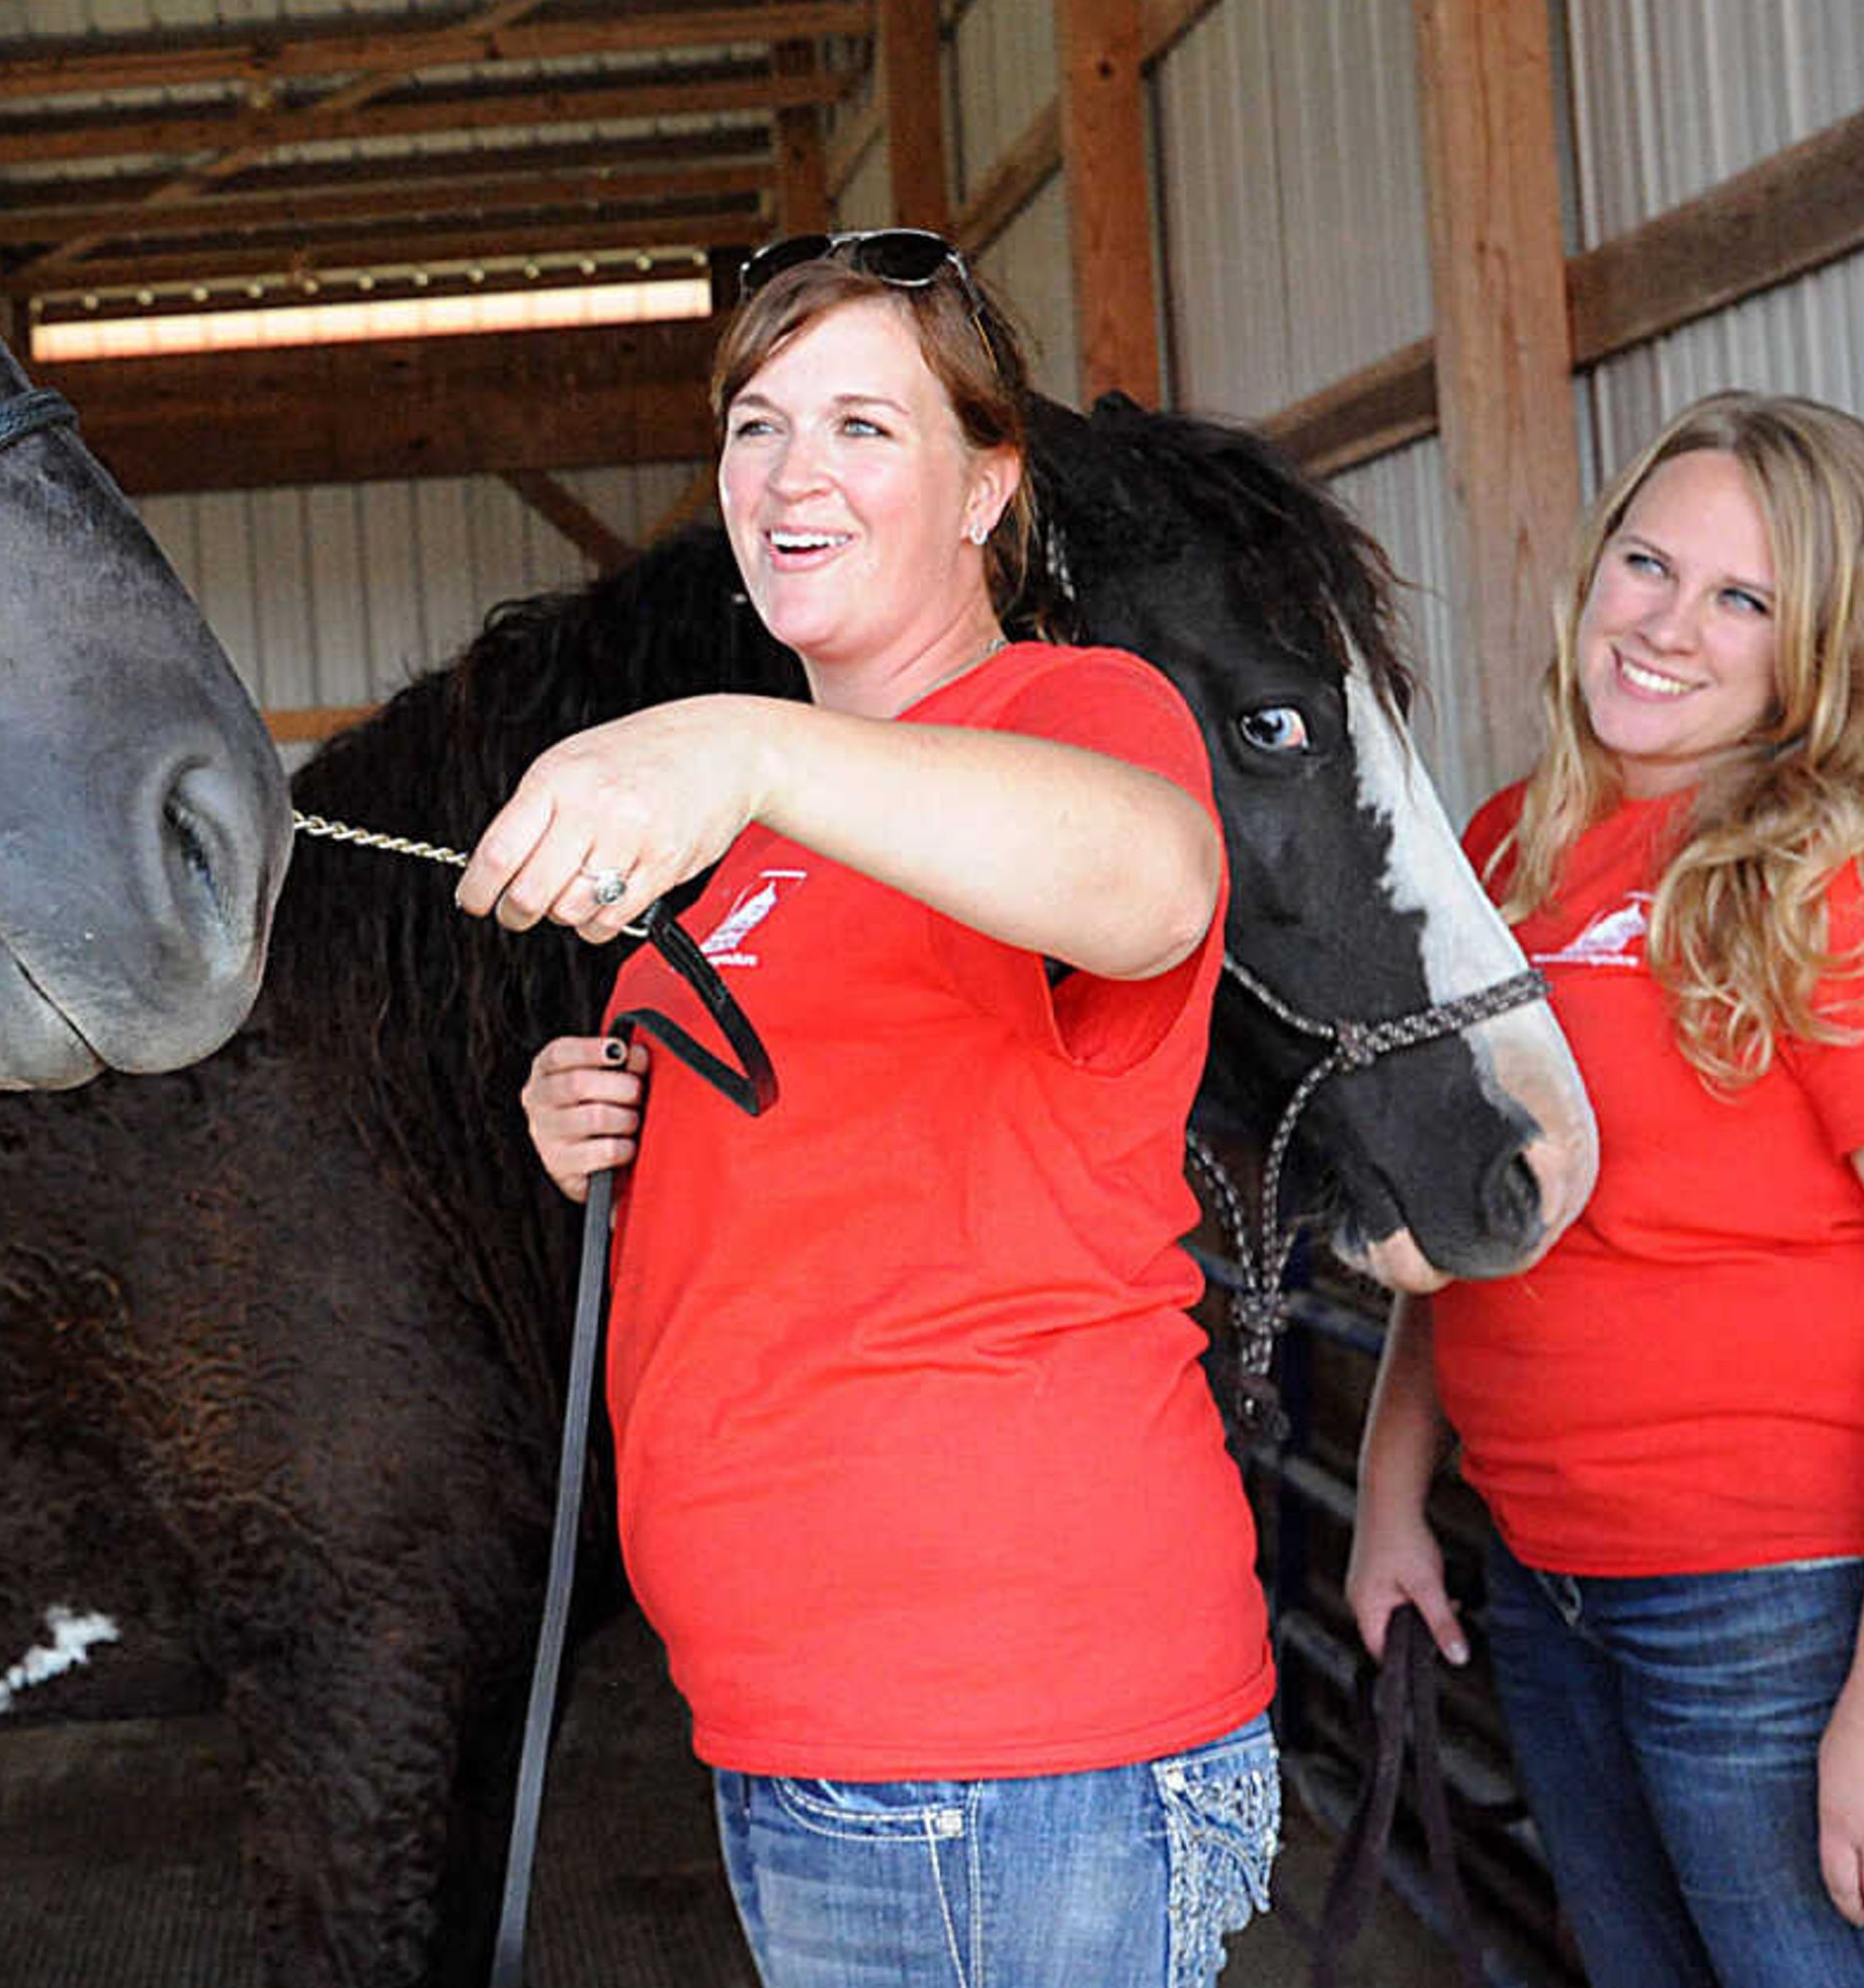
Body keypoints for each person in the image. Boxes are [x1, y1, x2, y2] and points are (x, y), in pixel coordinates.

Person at [466, 229, 1277, 1987]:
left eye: (862, 427)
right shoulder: (744, 844)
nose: (790, 475)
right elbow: (822, 1165)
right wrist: (592, 1112)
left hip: (1011, 1732)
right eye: (758, 426)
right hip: (799, 1719)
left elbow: (1149, 886)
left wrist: (741, 744)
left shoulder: (1075, 710)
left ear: (988, 484)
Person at [1346, 390, 1864, 1985]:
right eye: (1648, 563)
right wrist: (1394, 1503)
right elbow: (1478, 1214)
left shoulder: (1857, 870)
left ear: (1821, 640)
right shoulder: (1506, 847)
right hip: (1547, 1577)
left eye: (1743, 598)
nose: (1670, 626)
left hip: (1785, 1599)